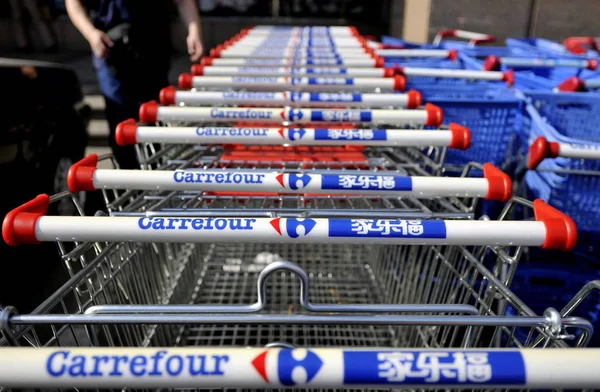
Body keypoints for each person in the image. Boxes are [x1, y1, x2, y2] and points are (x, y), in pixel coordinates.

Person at [65, 0, 204, 170]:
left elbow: (183, 2)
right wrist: (91, 33)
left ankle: (156, 176)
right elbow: (73, 3)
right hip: (110, 49)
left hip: (153, 47)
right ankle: (127, 180)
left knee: (152, 117)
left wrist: (194, 31)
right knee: (120, 121)